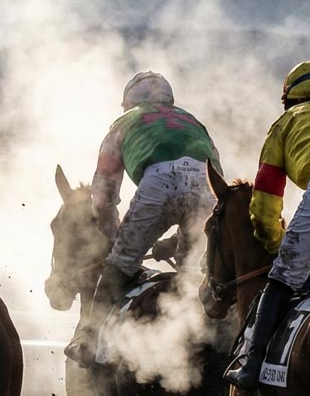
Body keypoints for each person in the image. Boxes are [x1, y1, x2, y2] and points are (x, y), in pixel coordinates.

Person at [64, 71, 221, 367]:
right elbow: (216, 187)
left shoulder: (122, 123)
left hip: (157, 184)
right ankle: (222, 339)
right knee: (196, 272)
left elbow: (104, 195)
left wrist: (117, 241)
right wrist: (177, 243)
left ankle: (88, 339)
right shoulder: (193, 122)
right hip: (204, 185)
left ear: (128, 103)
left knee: (120, 264)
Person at [226, 60, 310, 390]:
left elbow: (266, 200)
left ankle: (252, 368)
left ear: (289, 96)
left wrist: (277, 246)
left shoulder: (285, 123)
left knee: (282, 279)